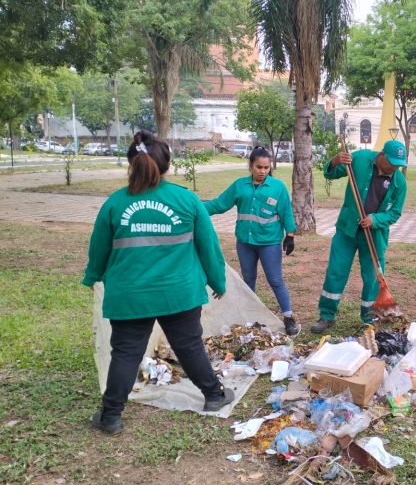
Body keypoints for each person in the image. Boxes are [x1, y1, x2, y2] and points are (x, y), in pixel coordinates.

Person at [83, 131, 233, 435]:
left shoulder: (115, 203)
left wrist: (92, 276)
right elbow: (209, 248)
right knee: (189, 346)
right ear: (167, 166)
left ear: (131, 164)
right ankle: (214, 396)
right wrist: (218, 281)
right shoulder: (186, 200)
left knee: (126, 353)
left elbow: (99, 248)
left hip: (130, 295)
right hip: (178, 293)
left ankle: (111, 415)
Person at [310, 140, 408, 333]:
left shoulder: (399, 182)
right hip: (347, 229)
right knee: (336, 272)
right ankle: (326, 316)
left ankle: (369, 319)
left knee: (372, 278)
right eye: (392, 163)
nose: (394, 167)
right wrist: (336, 161)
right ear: (382, 156)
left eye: (399, 164)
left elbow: (395, 213)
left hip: (374, 236)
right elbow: (330, 173)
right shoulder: (360, 159)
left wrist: (376, 219)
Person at [204, 146, 299, 336]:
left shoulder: (277, 187)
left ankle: (288, 318)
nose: (262, 171)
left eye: (266, 168)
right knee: (248, 280)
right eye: (259, 167)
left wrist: (290, 235)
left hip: (269, 242)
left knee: (275, 280)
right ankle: (249, 318)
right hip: (245, 242)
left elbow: (286, 212)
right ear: (250, 166)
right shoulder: (240, 185)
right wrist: (195, 207)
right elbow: (219, 204)